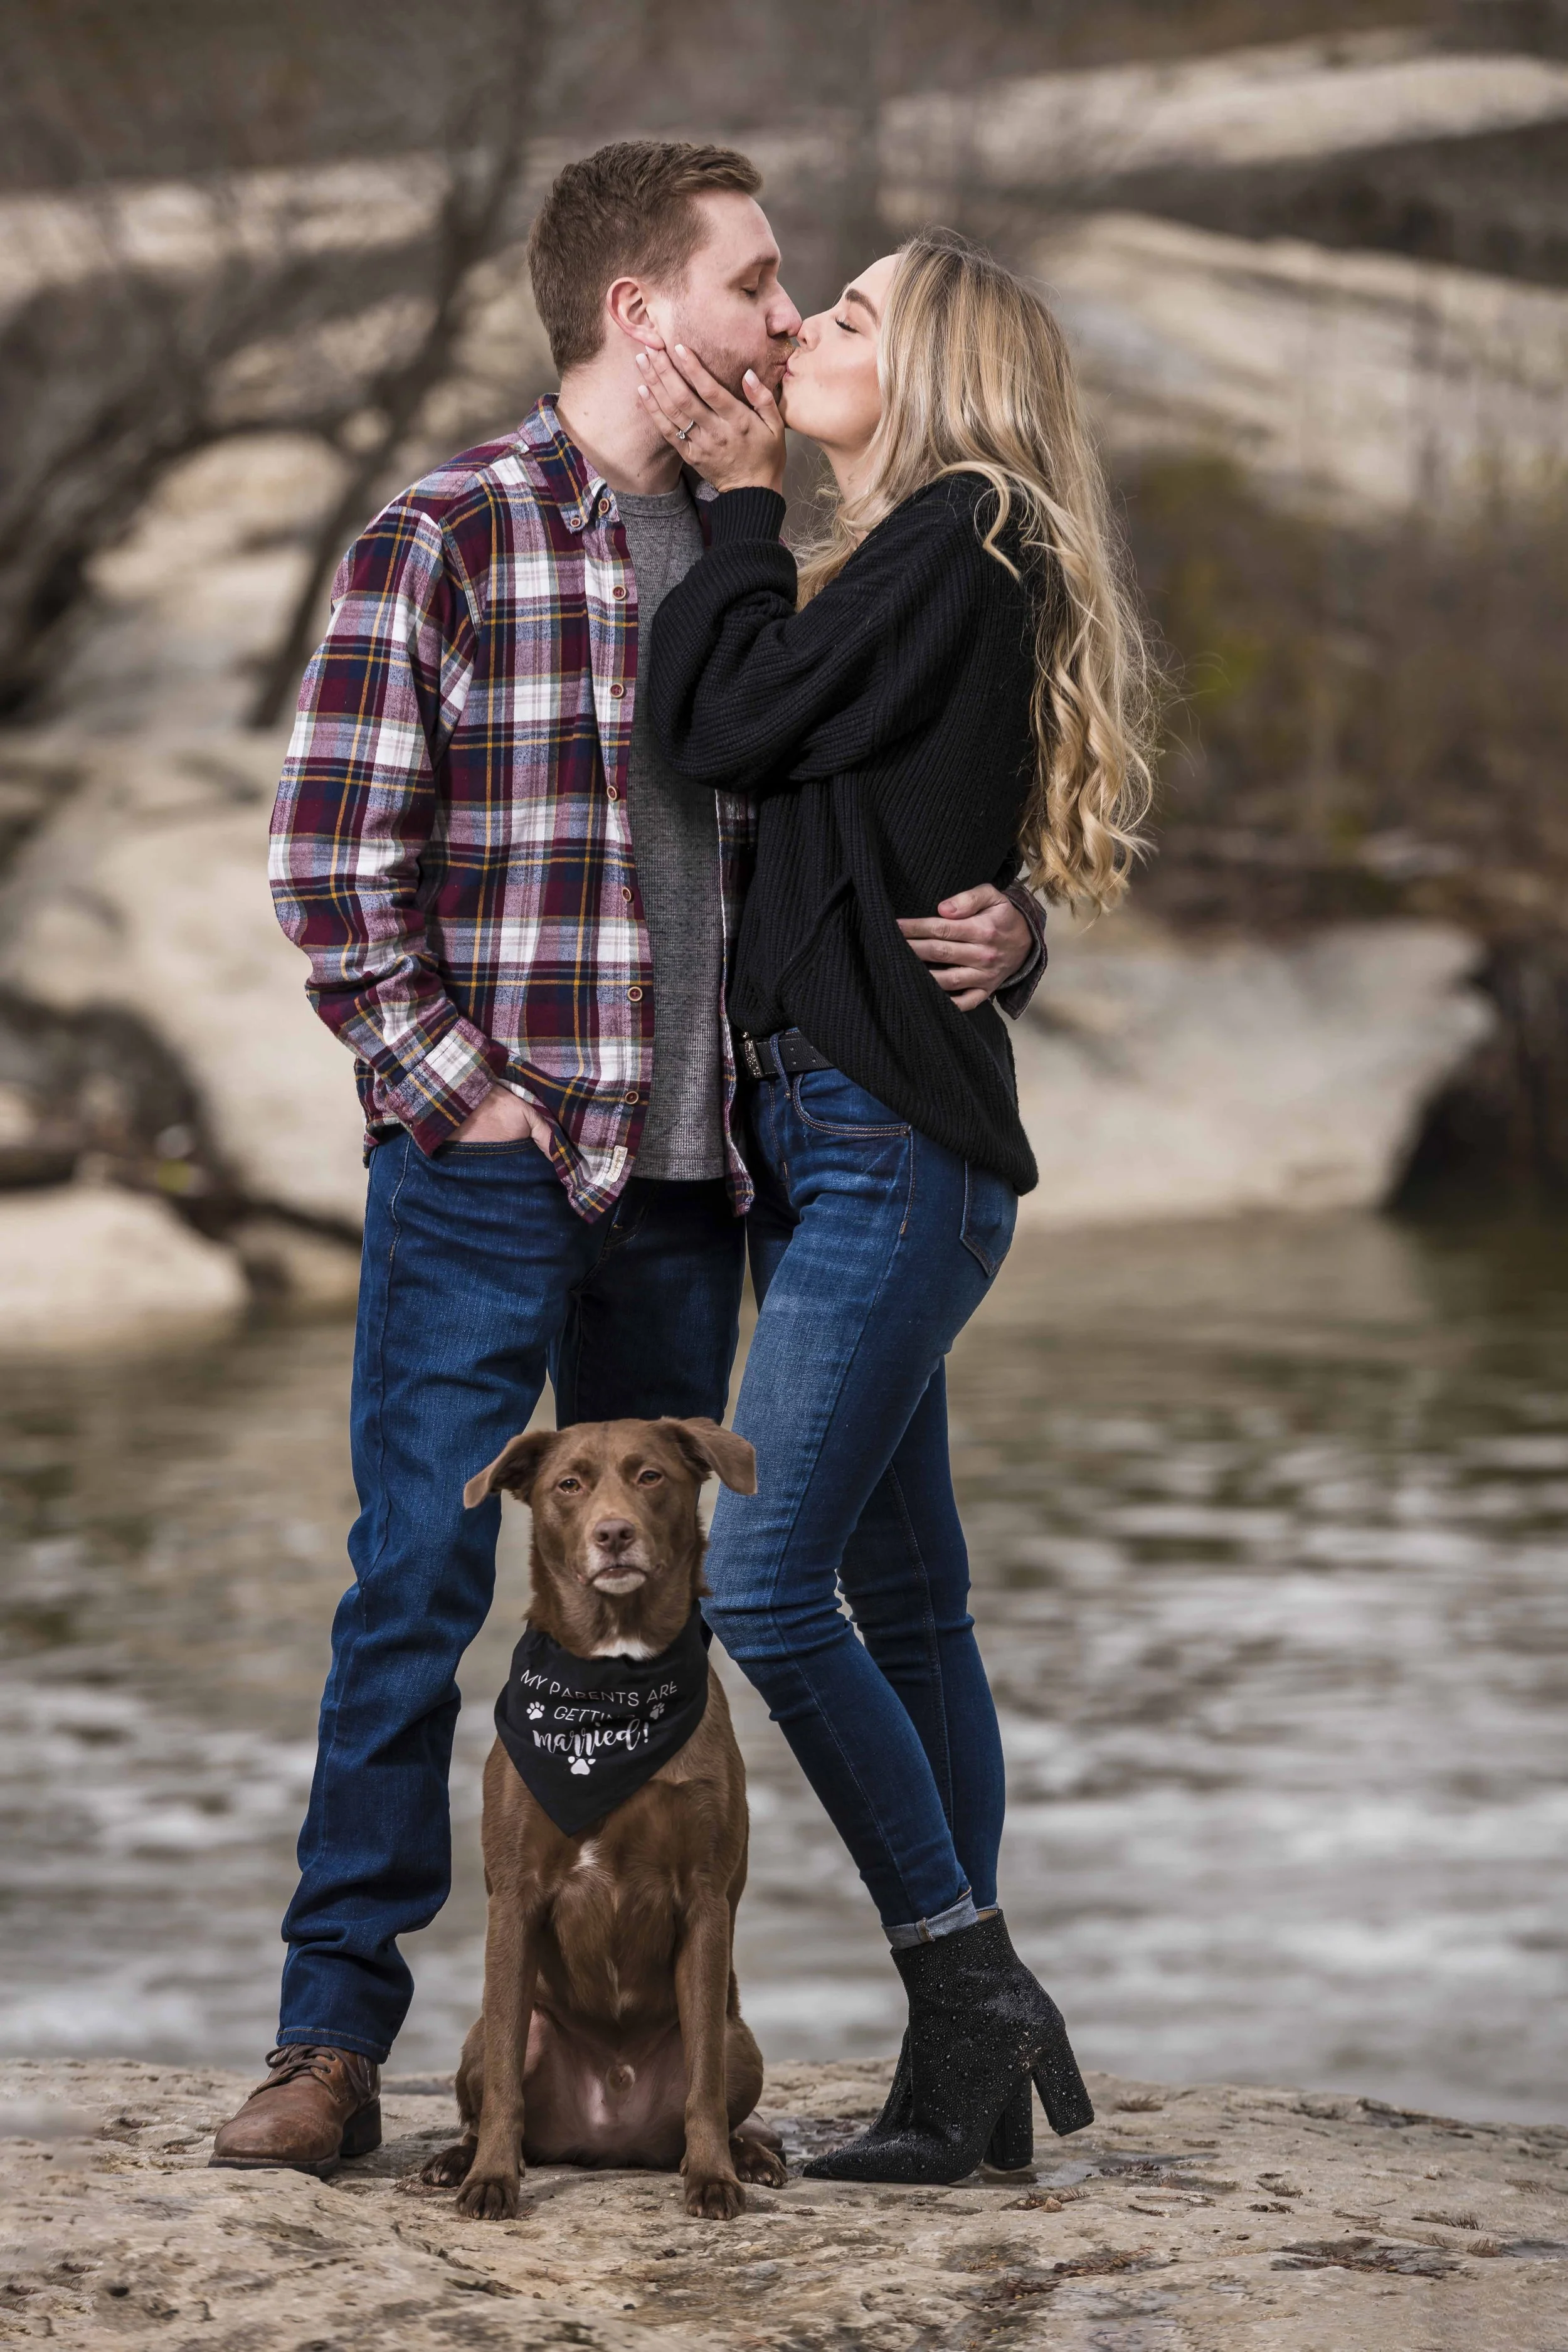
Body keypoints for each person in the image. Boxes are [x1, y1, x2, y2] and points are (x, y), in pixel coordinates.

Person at [212, 144, 1046, 2175]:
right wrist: (461, 1086)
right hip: (493, 1163)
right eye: (757, 286)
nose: (781, 322)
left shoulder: (777, 559)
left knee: (661, 1618)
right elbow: (329, 864)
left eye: (797, 297)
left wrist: (1014, 910)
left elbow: (888, 817)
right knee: (414, 1575)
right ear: (636, 312)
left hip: (707, 1183)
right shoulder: (447, 535)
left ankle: (684, 2057)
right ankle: (333, 2039)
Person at [638, 228, 1155, 2182]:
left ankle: (964, 1976)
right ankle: (968, 2093)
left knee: (765, 1584)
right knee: (913, 1604)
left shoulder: (960, 527)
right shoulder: (926, 558)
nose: (800, 335)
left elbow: (724, 723)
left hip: (886, 1151)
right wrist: (1004, 926)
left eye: (842, 314)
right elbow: (906, 833)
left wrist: (738, 506)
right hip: (840, 1140)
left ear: (935, 362)